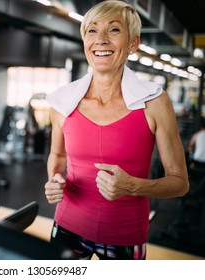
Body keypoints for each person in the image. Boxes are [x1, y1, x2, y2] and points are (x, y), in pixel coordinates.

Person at [44, 0, 189, 260]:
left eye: (113, 30)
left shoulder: (154, 102)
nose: (101, 39)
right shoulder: (62, 101)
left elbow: (179, 183)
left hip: (126, 234)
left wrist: (133, 186)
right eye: (92, 30)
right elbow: (58, 156)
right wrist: (54, 179)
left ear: (133, 43)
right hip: (67, 225)